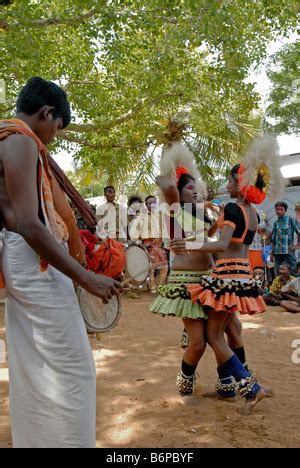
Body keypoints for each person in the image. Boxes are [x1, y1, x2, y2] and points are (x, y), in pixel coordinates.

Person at [0, 77, 121, 448]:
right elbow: (29, 225)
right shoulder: (19, 139)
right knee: (74, 370)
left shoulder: (9, 137)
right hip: (32, 261)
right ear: (47, 112)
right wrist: (86, 278)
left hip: (21, 260)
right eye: (57, 127)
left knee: (35, 367)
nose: (54, 137)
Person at [171, 135, 286, 414]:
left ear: (241, 184)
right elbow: (226, 237)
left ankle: (251, 387)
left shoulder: (233, 207)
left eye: (231, 182)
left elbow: (222, 245)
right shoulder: (254, 212)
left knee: (214, 337)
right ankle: (241, 384)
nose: (227, 185)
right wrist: (209, 217)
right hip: (242, 275)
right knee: (234, 331)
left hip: (226, 277)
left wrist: (190, 243)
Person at [149, 143, 253, 404]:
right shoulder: (174, 211)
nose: (195, 191)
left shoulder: (204, 216)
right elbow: (167, 186)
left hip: (210, 281)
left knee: (230, 330)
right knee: (198, 344)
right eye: (189, 187)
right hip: (185, 286)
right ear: (179, 192)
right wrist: (171, 170)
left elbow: (220, 245)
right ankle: (185, 386)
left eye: (197, 187)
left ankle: (228, 386)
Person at [129, 195, 168, 293]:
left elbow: (166, 230)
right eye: (150, 203)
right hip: (148, 244)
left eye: (154, 202)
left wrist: (164, 241)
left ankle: (161, 286)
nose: (152, 204)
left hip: (159, 243)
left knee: (164, 266)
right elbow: (134, 231)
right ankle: (152, 285)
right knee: (152, 267)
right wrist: (139, 241)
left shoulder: (161, 216)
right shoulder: (141, 217)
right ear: (146, 205)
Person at [271, 201, 300, 276]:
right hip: (277, 253)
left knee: (292, 271)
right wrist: (271, 253)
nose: (279, 211)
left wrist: (297, 245)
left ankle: (295, 287)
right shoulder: (275, 223)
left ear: (285, 210)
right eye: (277, 209)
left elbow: (299, 231)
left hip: (288, 252)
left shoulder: (291, 220)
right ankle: (281, 287)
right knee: (279, 273)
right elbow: (273, 240)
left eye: (282, 209)